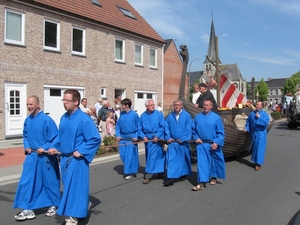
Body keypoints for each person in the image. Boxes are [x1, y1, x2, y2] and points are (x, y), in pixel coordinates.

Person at [49, 89, 101, 225]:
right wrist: (55, 147)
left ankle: (73, 216)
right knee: (69, 187)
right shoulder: (63, 117)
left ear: (76, 102)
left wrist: (82, 150)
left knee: (75, 187)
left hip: (77, 159)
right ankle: (83, 204)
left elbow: (95, 139)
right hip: (65, 159)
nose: (64, 103)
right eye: (63, 100)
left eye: (67, 100)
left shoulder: (84, 118)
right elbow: (60, 138)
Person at [13, 95, 60, 221]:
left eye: (31, 104)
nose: (29, 107)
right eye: (27, 104)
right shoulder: (27, 120)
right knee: (27, 181)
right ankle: (28, 207)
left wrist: (44, 147)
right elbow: (26, 135)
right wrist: (27, 146)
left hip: (45, 157)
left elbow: (56, 137)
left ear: (38, 105)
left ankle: (53, 204)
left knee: (48, 182)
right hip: (32, 156)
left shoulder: (47, 120)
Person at [191, 99, 226, 191]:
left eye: (207, 105)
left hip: (212, 144)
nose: (205, 106)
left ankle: (213, 176)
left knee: (213, 162)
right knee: (201, 164)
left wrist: (217, 142)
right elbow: (193, 129)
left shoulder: (216, 118)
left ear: (211, 106)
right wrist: (196, 138)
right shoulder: (197, 117)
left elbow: (220, 132)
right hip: (201, 144)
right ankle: (201, 182)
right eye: (204, 105)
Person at [163, 100, 192, 186]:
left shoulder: (187, 116)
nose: (176, 106)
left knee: (182, 160)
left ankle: (182, 174)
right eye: (175, 105)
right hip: (172, 142)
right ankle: (171, 178)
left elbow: (188, 128)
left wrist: (183, 138)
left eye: (178, 105)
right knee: (171, 160)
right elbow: (166, 127)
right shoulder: (170, 116)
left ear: (181, 106)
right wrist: (168, 137)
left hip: (182, 143)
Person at [138, 99, 166, 184]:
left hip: (158, 138)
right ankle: (149, 174)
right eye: (151, 105)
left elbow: (162, 126)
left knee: (159, 155)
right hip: (149, 139)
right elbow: (139, 129)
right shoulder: (142, 116)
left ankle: (160, 171)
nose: (153, 106)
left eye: (153, 104)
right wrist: (143, 137)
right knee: (150, 156)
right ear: (146, 106)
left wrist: (157, 136)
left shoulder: (159, 114)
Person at [116, 98, 140, 180]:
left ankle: (129, 172)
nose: (121, 106)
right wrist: (118, 135)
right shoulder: (122, 114)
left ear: (127, 105)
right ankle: (132, 168)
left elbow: (138, 127)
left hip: (131, 138)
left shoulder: (134, 115)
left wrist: (136, 136)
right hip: (122, 138)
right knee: (123, 155)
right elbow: (118, 126)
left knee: (129, 156)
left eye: (122, 104)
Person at [243, 101, 270, 171]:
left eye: (258, 104)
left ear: (262, 106)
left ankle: (258, 164)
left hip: (261, 133)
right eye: (256, 104)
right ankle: (256, 161)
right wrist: (246, 128)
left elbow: (265, 122)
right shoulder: (252, 114)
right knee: (255, 148)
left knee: (259, 148)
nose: (256, 105)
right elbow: (248, 122)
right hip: (254, 133)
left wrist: (259, 117)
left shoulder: (264, 114)